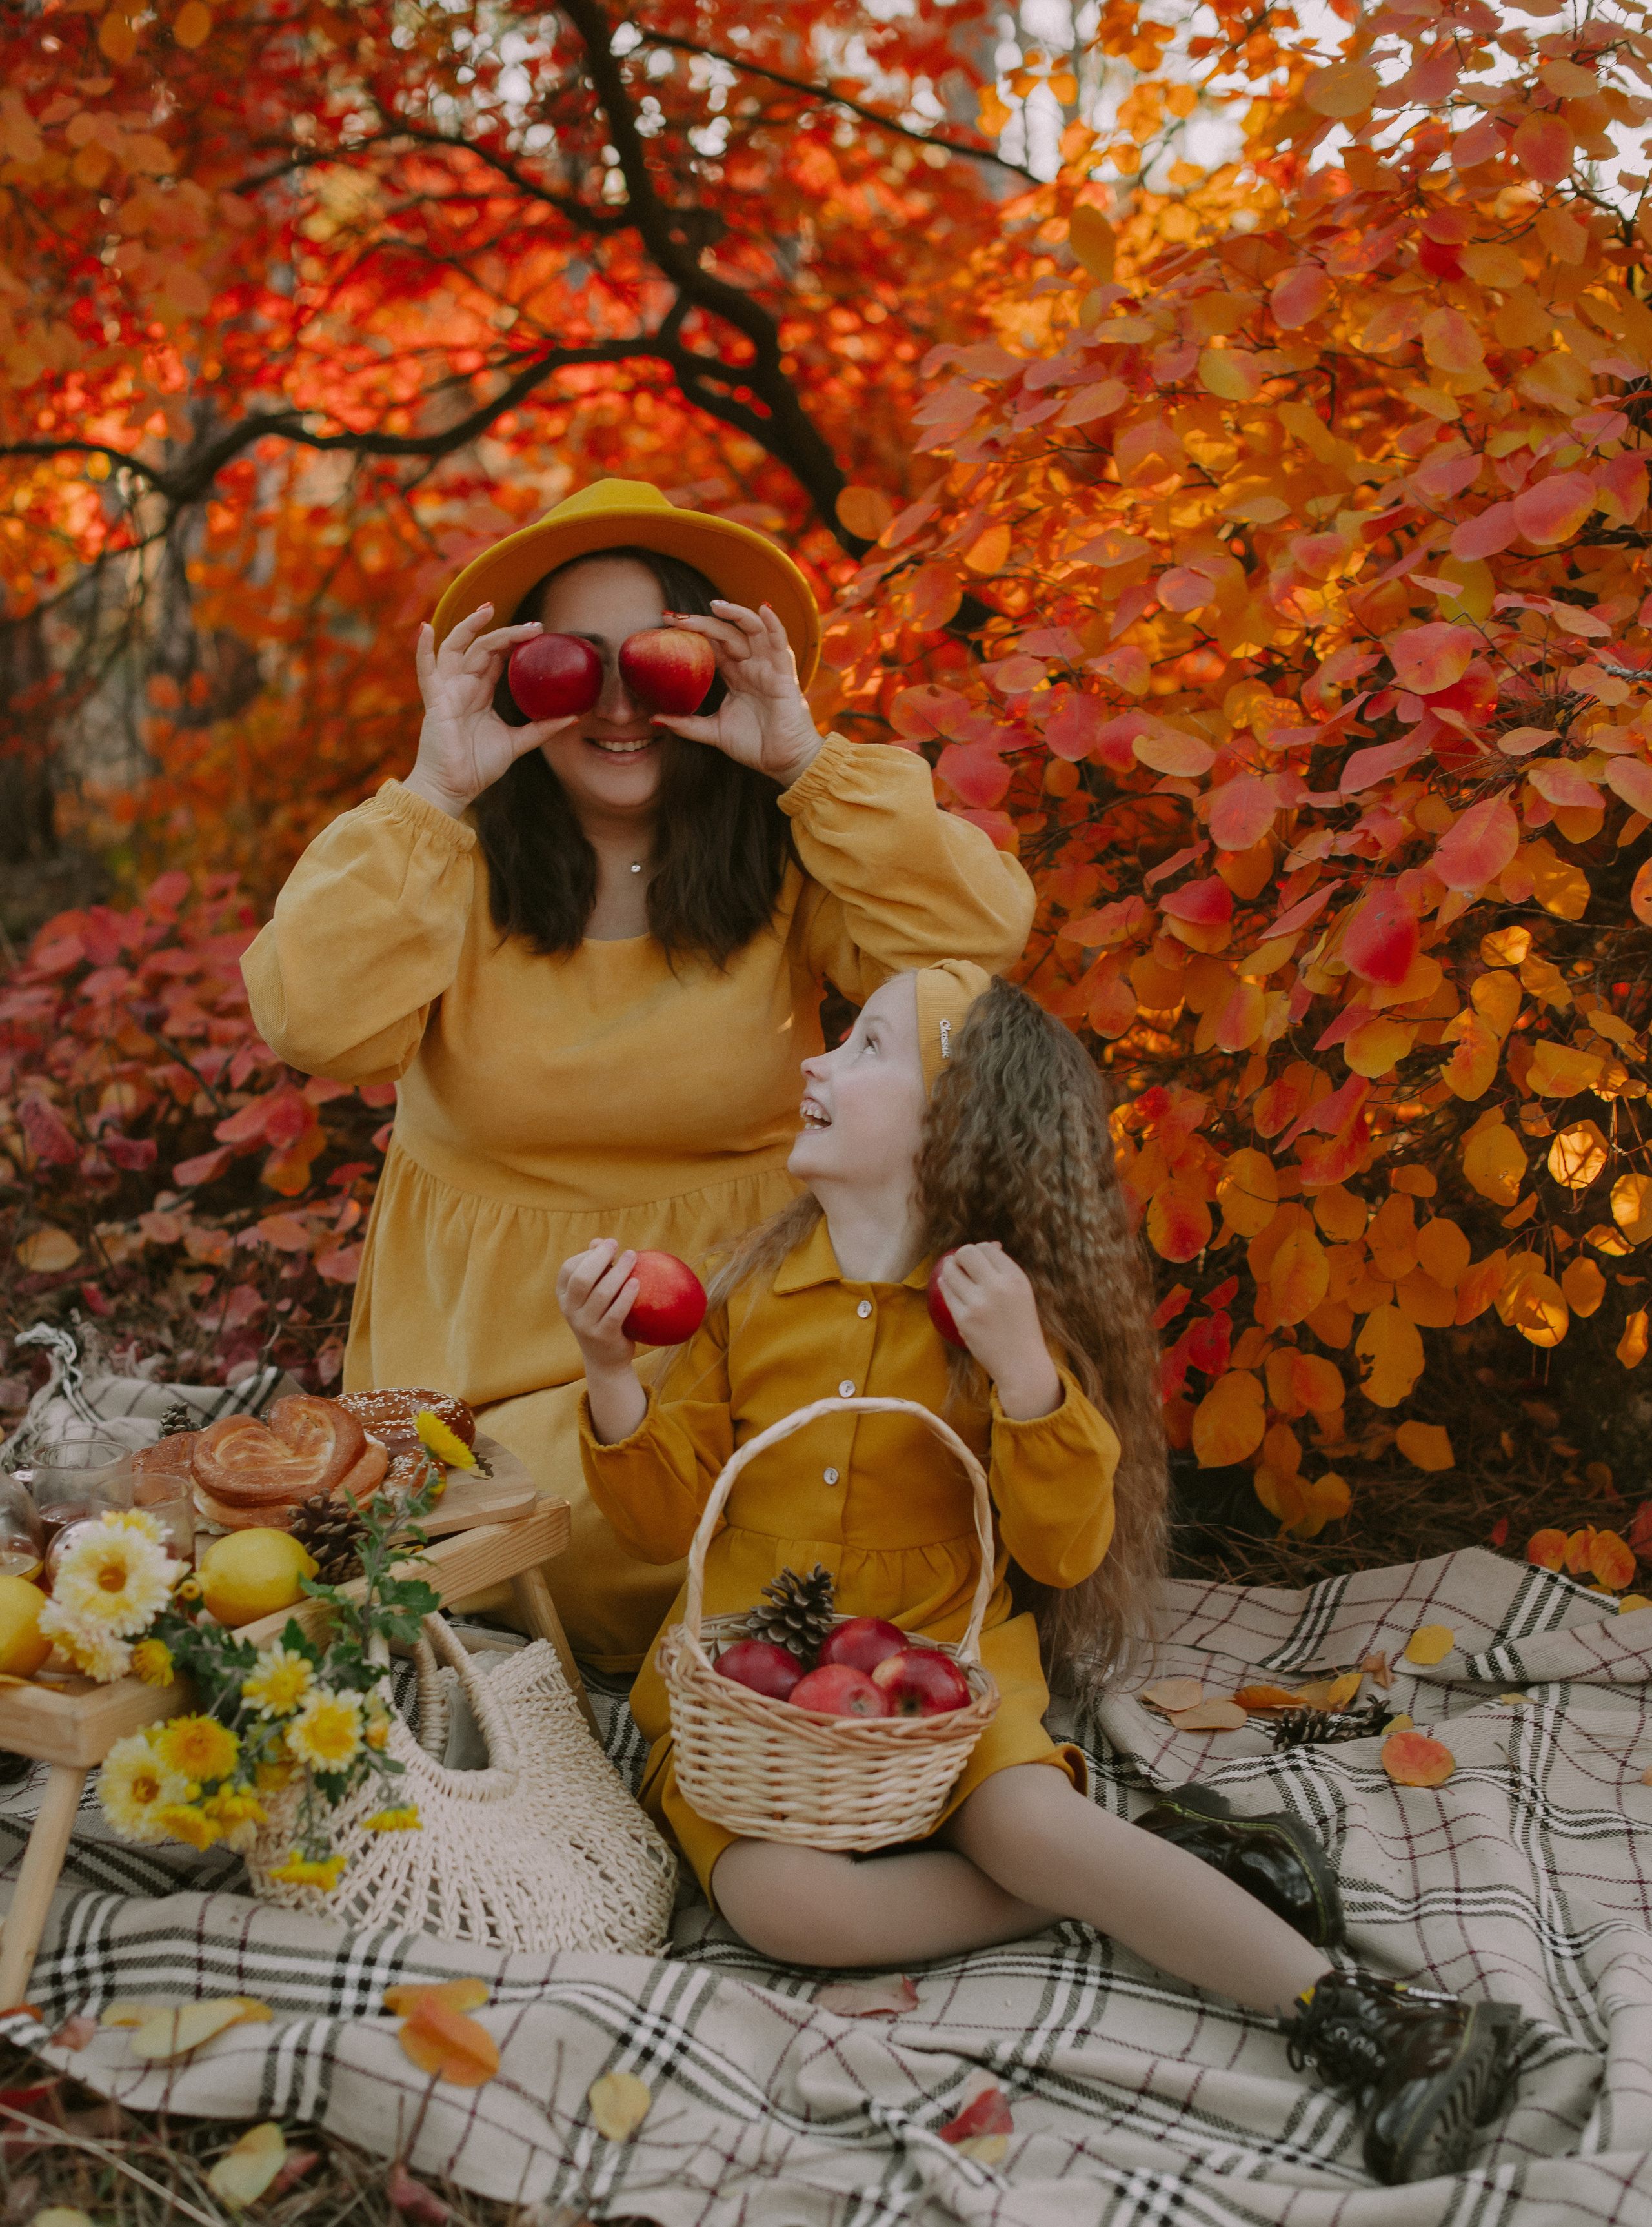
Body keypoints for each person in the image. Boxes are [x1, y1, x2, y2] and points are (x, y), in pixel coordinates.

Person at [559, 963, 1522, 2187]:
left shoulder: (994, 1315)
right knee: (783, 1910)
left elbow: (1066, 1549)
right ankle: (1170, 1874)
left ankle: (1368, 2018)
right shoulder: (753, 1293)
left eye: (863, 1050)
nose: (816, 1061)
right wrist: (608, 1370)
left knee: (1022, 1817)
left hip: (941, 1673)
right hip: (751, 1697)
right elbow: (663, 1518)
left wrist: (1023, 1374)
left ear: (955, 1119)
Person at [242, 480, 1034, 1671]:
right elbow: (308, 1018)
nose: (616, 703)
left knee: (866, 1485)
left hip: (761, 1344)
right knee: (626, 1529)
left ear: (713, 670)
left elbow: (973, 947)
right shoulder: (442, 862)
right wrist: (434, 787)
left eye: (658, 660)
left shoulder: (783, 853)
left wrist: (805, 759)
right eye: (570, 663)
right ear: (517, 680)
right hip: (502, 1381)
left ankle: (808, 1679)